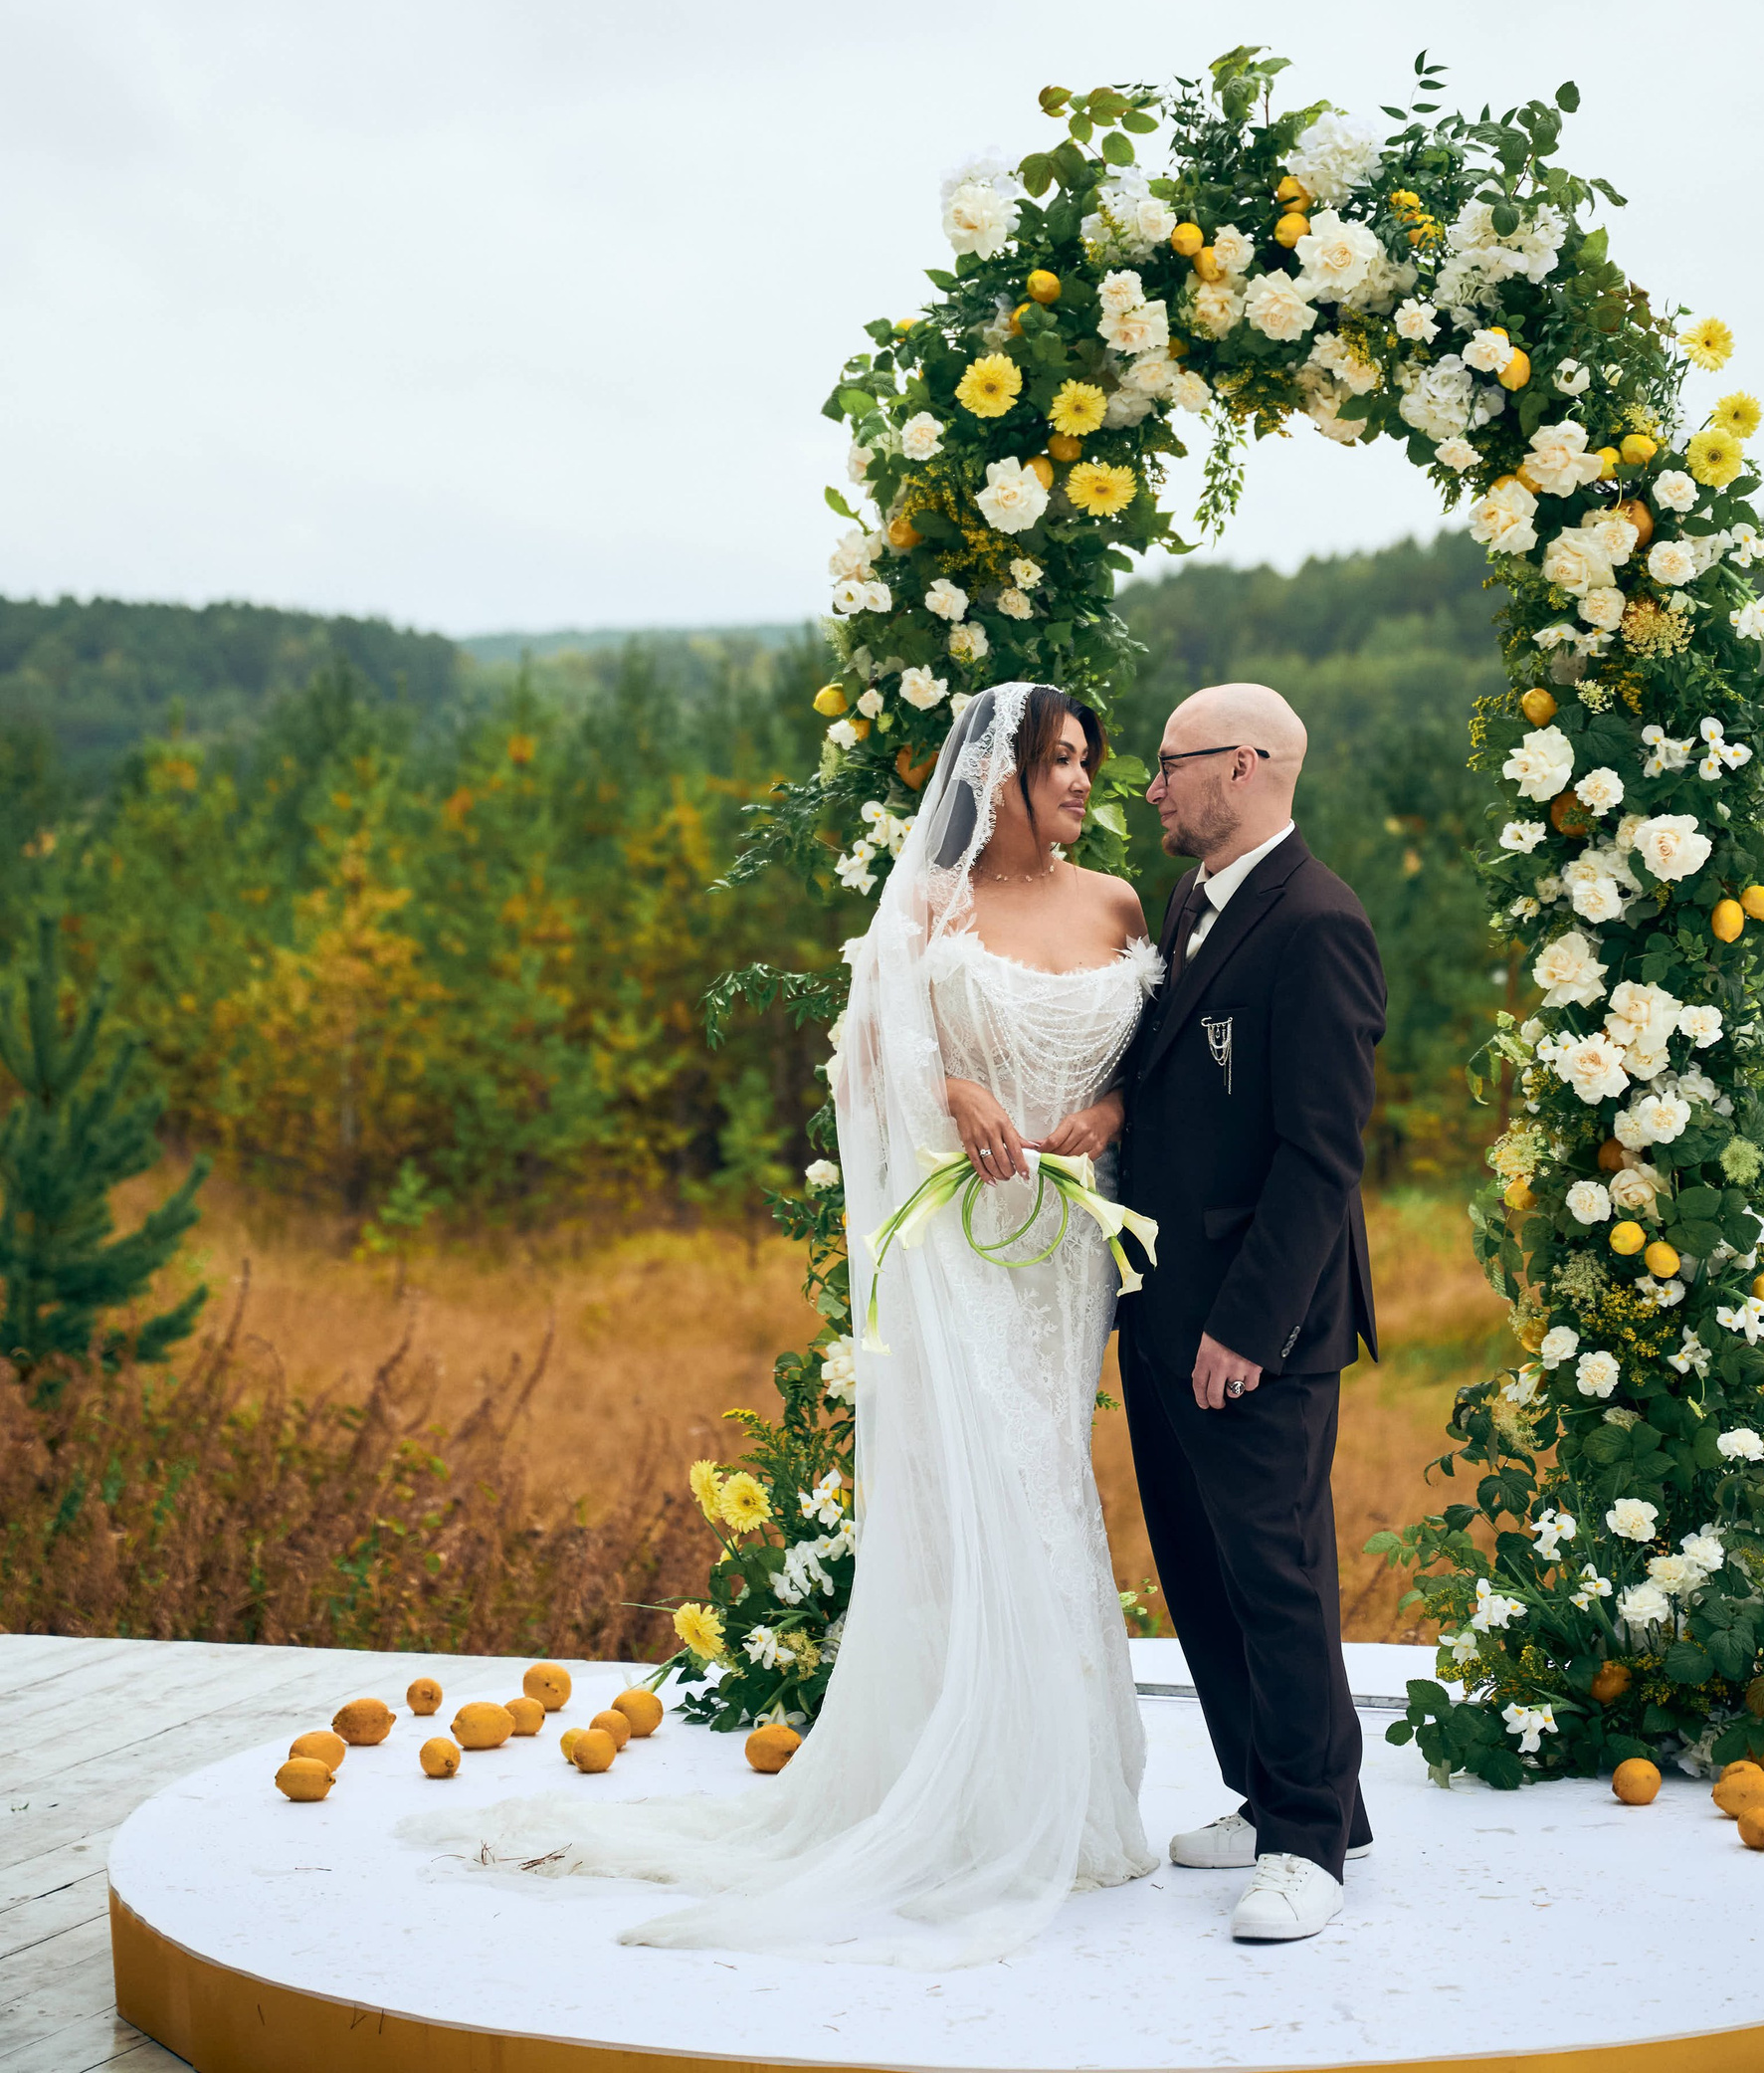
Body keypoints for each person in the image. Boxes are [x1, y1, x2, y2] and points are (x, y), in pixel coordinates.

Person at [404, 682, 1161, 1969]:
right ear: (998, 776)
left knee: (1050, 1477)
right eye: (1061, 761)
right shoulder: (928, 907)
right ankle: (979, 1794)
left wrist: (1113, 1113)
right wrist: (955, 1085)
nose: (1084, 780)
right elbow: (865, 1069)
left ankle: (1070, 1780)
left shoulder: (1118, 906)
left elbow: (1148, 1061)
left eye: (1089, 758)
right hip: (959, 1247)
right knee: (989, 1485)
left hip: (1062, 1249)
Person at [1117, 681, 1384, 1945]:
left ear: (1244, 765)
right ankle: (1273, 1790)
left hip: (1254, 1322)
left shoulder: (1320, 923)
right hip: (1161, 1303)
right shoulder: (1192, 899)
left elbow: (1320, 1157)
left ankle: (1308, 1844)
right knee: (1201, 1567)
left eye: (1169, 764)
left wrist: (1247, 1329)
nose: (1150, 788)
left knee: (1276, 1576)